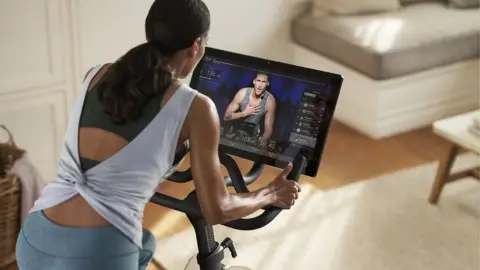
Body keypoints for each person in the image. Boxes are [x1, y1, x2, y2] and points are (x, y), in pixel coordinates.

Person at [15, 1, 300, 270]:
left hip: (35, 237)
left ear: (148, 33)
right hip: (97, 252)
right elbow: (217, 208)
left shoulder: (96, 75)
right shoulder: (197, 108)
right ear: (196, 46)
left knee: (146, 245)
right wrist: (271, 192)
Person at [223, 72, 276, 147]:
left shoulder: (270, 101)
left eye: (263, 82)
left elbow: (268, 128)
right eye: (258, 81)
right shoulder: (242, 93)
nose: (260, 85)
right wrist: (244, 113)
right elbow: (226, 116)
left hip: (252, 138)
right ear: (254, 81)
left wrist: (265, 137)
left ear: (267, 84)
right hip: (234, 133)